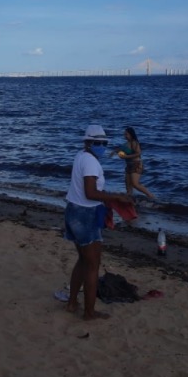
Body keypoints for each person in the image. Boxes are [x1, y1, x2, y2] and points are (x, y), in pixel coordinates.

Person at [64, 124, 135, 321]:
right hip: (84, 216)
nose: (101, 146)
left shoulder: (81, 156)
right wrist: (116, 198)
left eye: (104, 143)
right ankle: (89, 312)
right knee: (93, 265)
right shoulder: (91, 163)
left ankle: (72, 303)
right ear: (88, 142)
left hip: (73, 211)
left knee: (82, 260)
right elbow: (90, 193)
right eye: (98, 143)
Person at [114, 127, 155, 201]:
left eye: (126, 134)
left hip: (136, 164)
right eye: (124, 134)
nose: (125, 136)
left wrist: (126, 156)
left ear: (131, 134)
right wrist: (115, 152)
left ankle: (151, 196)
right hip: (129, 165)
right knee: (127, 184)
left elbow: (138, 153)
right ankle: (130, 198)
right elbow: (120, 150)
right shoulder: (126, 144)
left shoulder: (134, 142)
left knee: (135, 184)